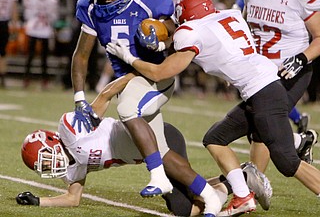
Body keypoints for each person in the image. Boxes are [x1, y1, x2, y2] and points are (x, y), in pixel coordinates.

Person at [106, 0, 320, 216]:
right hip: (262, 89)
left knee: (286, 161)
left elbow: (161, 73)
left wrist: (129, 58)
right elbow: (219, 48)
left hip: (263, 93)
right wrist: (163, 46)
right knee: (215, 138)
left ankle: (298, 149)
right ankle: (242, 196)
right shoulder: (230, 16)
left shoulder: (190, 31)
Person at [71, 0, 223, 213]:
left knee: (127, 108)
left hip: (155, 77)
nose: (105, 1)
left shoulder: (150, 1)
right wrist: (79, 98)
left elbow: (179, 35)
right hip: (129, 81)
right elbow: (81, 55)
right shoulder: (89, 5)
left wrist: (161, 42)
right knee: (161, 152)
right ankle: (211, 195)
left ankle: (158, 176)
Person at [15, 72, 272, 216]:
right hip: (150, 159)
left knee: (189, 208)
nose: (50, 166)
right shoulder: (71, 167)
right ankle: (238, 179)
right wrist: (40, 201)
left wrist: (137, 76)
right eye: (44, 166)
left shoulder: (72, 129)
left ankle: (239, 181)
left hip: (159, 141)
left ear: (52, 141)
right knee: (186, 209)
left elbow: (106, 94)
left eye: (47, 158)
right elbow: (73, 199)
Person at [241, 0, 320, 170]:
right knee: (257, 126)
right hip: (259, 71)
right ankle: (299, 142)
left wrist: (301, 58)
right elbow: (245, 24)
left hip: (291, 70)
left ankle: (252, 188)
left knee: (262, 127)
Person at [22, 0, 59, 89]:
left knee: (44, 57)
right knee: (30, 55)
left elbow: (54, 17)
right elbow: (27, 15)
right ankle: (27, 78)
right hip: (33, 28)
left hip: (45, 29)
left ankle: (44, 79)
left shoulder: (53, 0)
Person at [0, 0, 21, 87]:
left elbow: (14, 8)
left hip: (4, 22)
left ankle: (2, 77)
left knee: (3, 52)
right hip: (4, 22)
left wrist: (14, 24)